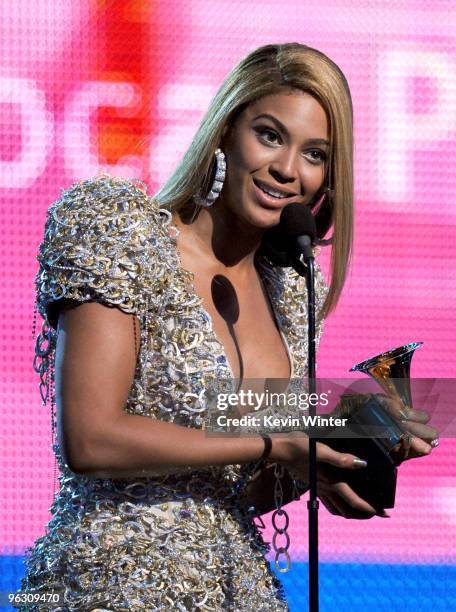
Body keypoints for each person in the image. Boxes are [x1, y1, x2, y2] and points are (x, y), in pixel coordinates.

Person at [21, 43, 437, 611]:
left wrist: (337, 455)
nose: (288, 170)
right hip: (110, 587)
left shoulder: (290, 288)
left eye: (314, 154)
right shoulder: (120, 230)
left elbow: (237, 488)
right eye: (269, 135)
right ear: (223, 132)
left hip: (238, 592)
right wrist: (278, 441)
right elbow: (90, 439)